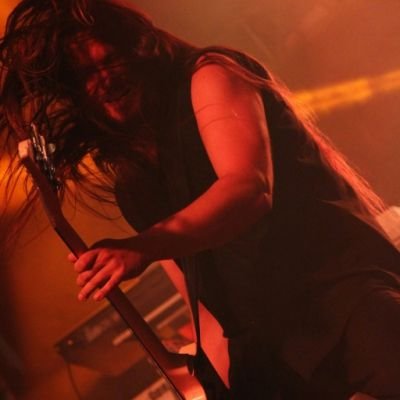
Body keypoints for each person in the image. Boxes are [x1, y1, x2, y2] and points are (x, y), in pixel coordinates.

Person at [1, 0, 400, 399]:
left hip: (341, 296)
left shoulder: (211, 75)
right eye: (86, 74)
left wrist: (142, 247)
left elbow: (249, 189)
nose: (104, 79)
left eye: (110, 60)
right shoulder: (134, 183)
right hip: (270, 346)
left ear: (138, 48)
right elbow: (207, 311)